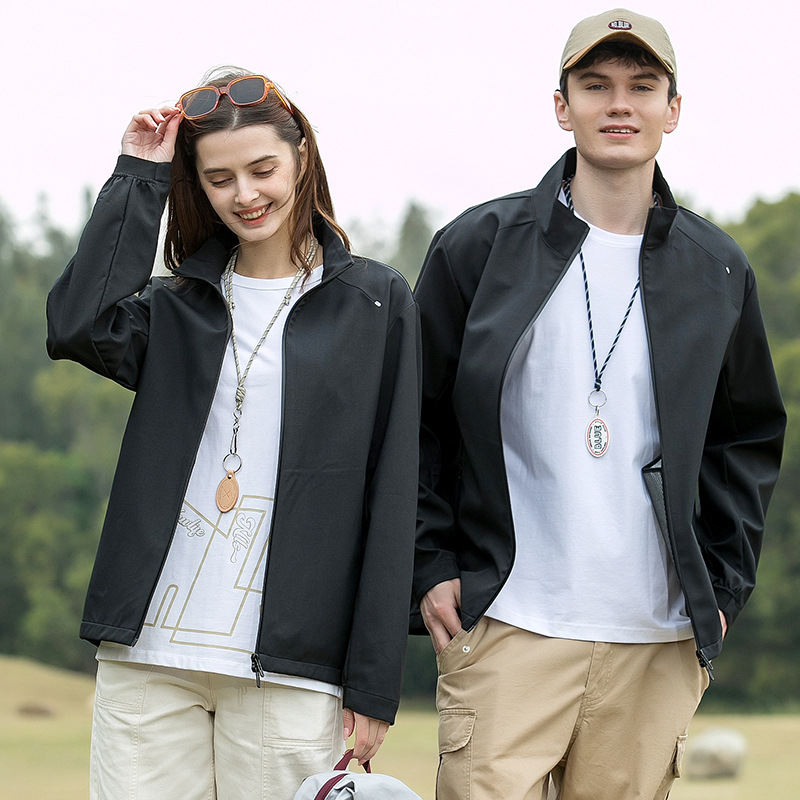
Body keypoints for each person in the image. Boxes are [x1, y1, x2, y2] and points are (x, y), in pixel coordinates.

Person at [412, 9, 785, 800]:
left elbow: (744, 439)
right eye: (595, 85)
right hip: (508, 623)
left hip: (655, 639)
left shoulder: (717, 268)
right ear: (562, 106)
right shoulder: (478, 247)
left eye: (642, 86)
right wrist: (431, 564)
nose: (620, 104)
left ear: (672, 110)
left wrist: (721, 591)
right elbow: (417, 419)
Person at [46, 68, 419, 800]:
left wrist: (374, 681)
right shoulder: (176, 306)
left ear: (301, 157)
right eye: (219, 179)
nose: (244, 195)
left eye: (262, 170)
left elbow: (394, 489)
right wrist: (139, 176)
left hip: (292, 668)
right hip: (149, 656)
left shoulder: (376, 303)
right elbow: (77, 324)